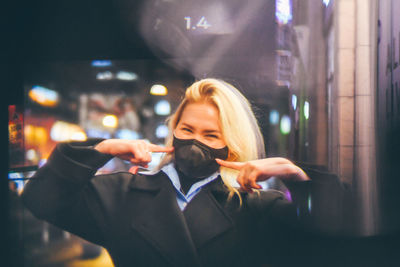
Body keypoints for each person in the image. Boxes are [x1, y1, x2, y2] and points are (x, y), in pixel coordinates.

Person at [22, 78, 314, 267]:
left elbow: (328, 244)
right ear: (173, 132)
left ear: (232, 146)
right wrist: (103, 149)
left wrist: (296, 178)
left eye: (211, 135)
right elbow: (40, 198)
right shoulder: (123, 193)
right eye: (187, 129)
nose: (195, 141)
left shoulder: (258, 206)